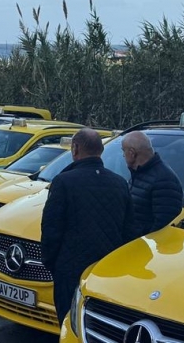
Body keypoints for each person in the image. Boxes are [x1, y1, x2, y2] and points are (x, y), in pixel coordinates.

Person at [41, 128, 132, 323]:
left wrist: (50, 262)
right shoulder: (120, 183)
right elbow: (127, 228)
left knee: (69, 322)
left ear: (74, 149)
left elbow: (51, 228)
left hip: (70, 268)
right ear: (101, 150)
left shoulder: (64, 181)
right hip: (105, 268)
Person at [123, 131, 183, 238]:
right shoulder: (139, 173)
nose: (123, 155)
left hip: (145, 248)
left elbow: (163, 225)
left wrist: (143, 242)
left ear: (132, 153)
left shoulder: (164, 180)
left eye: (124, 151)